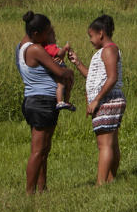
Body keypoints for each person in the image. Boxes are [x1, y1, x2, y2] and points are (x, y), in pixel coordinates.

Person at [16, 11, 74, 193]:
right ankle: (30, 191)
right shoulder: (35, 49)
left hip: (36, 100)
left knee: (44, 149)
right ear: (35, 34)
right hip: (41, 101)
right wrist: (70, 73)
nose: (49, 36)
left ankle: (42, 188)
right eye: (47, 33)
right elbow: (60, 72)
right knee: (37, 150)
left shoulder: (21, 46)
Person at [67, 14, 125, 185]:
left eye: (91, 36)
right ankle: (109, 179)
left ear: (100, 34)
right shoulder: (104, 51)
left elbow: (112, 78)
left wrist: (96, 100)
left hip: (107, 101)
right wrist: (77, 62)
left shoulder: (109, 50)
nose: (90, 40)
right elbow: (92, 76)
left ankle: (101, 184)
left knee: (104, 145)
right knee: (111, 143)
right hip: (108, 100)